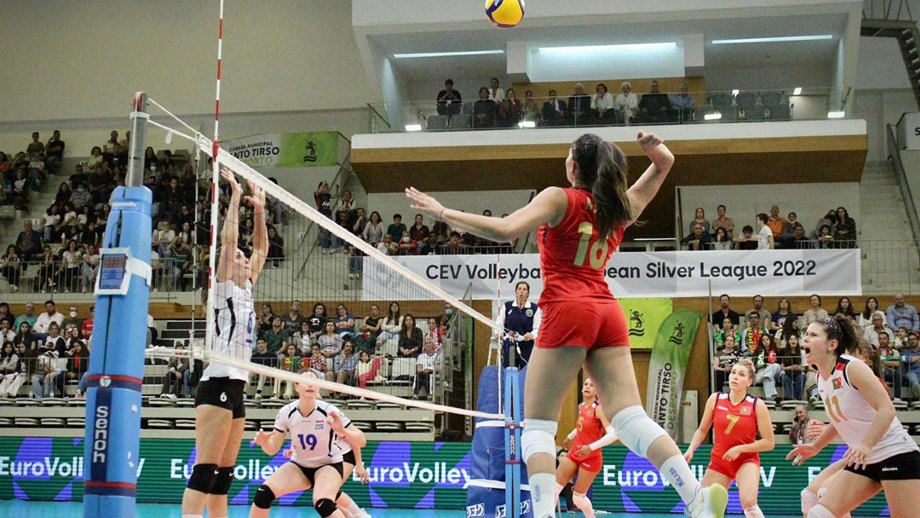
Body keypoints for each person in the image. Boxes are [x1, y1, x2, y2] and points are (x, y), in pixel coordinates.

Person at [405, 131, 727, 518]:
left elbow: (506, 230)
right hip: (606, 310)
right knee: (630, 419)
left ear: (574, 166)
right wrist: (654, 150)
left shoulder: (560, 198)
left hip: (567, 307)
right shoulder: (618, 207)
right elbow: (666, 163)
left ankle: (545, 513)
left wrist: (442, 212)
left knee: (538, 428)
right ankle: (696, 497)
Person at [182, 168, 268, 518]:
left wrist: (259, 210)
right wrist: (234, 196)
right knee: (206, 469)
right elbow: (229, 243)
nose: (244, 260)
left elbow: (261, 247)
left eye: (245, 260)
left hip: (236, 388)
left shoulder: (246, 289)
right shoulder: (222, 290)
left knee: (223, 477)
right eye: (239, 259)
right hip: (216, 382)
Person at [788, 315, 920, 518]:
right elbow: (841, 420)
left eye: (813, 335)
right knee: (818, 514)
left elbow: (887, 410)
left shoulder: (852, 367)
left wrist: (866, 444)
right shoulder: (821, 378)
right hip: (864, 461)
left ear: (832, 345)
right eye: (805, 334)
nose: (805, 338)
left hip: (896, 454)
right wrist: (816, 446)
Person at [249, 370, 358, 518]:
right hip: (300, 465)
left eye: (314, 382)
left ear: (319, 387)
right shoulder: (286, 412)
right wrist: (264, 443)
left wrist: (343, 431)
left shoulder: (329, 411)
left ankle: (358, 515)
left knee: (324, 503)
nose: (310, 385)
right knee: (263, 494)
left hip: (328, 465)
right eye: (306, 381)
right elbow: (272, 449)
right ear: (296, 386)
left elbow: (360, 440)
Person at [684, 361, 774, 518]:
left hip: (746, 459)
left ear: (749, 382)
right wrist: (691, 449)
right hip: (720, 460)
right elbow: (702, 430)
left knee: (749, 503)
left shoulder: (756, 405)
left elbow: (769, 442)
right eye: (733, 372)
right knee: (702, 507)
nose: (735, 377)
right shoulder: (716, 399)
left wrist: (740, 449)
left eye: (741, 374)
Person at [554, 378, 619, 518]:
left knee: (578, 498)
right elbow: (582, 426)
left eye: (592, 385)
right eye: (586, 384)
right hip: (575, 453)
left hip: (591, 458)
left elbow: (614, 434)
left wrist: (590, 447)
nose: (587, 387)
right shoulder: (582, 406)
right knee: (554, 488)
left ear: (597, 390)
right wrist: (569, 437)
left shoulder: (599, 409)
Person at [493, 281, 541, 369]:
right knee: (509, 371)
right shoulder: (507, 306)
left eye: (524, 289)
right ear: (516, 292)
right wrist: (498, 333)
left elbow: (538, 328)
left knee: (526, 371)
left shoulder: (534, 308)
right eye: (519, 289)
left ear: (528, 294)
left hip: (527, 346)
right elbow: (498, 324)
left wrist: (531, 335)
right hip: (509, 344)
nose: (521, 291)